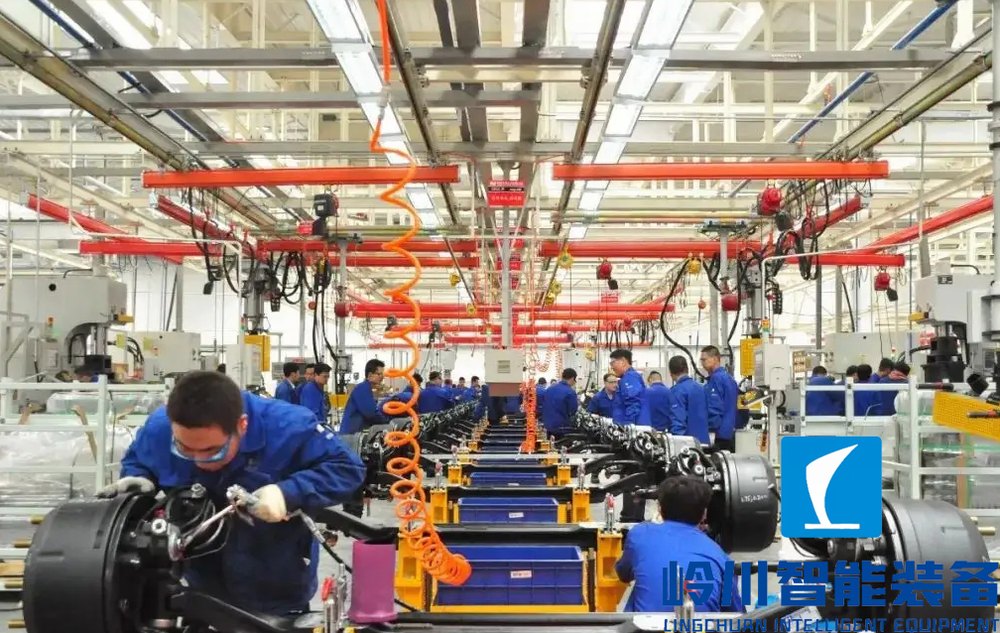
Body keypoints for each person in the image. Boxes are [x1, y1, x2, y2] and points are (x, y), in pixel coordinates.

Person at [99, 371, 366, 616]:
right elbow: (140, 461)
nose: (199, 461)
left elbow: (348, 469)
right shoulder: (160, 428)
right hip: (196, 583)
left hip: (276, 582)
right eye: (184, 450)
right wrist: (140, 478)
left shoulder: (290, 427)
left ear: (242, 425)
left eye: (212, 451)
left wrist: (287, 493)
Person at [615, 476, 743, 613]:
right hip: (701, 623)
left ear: (660, 509)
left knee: (640, 589)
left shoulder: (639, 534)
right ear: (704, 514)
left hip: (645, 624)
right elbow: (737, 614)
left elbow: (623, 574)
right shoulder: (721, 557)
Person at [701, 345, 738, 452]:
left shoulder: (716, 379)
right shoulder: (729, 379)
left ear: (715, 359)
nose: (702, 363)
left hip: (718, 436)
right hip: (729, 433)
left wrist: (710, 431)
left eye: (704, 359)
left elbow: (714, 409)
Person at [339, 359, 389, 434]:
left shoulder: (367, 389)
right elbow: (371, 413)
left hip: (355, 433)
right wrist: (387, 420)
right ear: (370, 375)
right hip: (350, 435)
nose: (382, 377)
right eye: (379, 374)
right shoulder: (362, 389)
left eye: (382, 374)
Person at [667, 356, 710, 443]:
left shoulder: (677, 391)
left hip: (688, 444)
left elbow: (677, 421)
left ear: (671, 374)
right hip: (704, 441)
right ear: (687, 369)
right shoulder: (701, 388)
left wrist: (678, 443)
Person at [610, 349, 645, 426]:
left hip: (627, 427)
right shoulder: (625, 378)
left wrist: (629, 427)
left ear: (623, 361)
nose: (612, 367)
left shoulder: (630, 378)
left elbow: (634, 405)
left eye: (612, 363)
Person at [541, 369, 579, 437]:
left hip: (547, 426)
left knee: (551, 442)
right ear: (573, 378)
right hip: (562, 428)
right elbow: (573, 411)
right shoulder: (570, 392)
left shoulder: (549, 389)